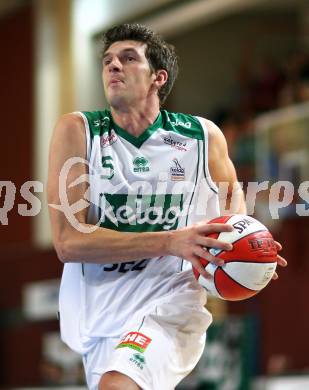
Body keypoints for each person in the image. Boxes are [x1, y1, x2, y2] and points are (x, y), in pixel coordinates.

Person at [47, 23, 287, 390]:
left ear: (158, 77)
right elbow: (68, 242)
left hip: (170, 306)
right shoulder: (78, 132)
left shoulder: (202, 137)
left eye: (128, 59)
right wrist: (172, 240)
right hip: (98, 314)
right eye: (108, 60)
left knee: (118, 386)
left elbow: (233, 220)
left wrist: (252, 252)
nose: (113, 66)